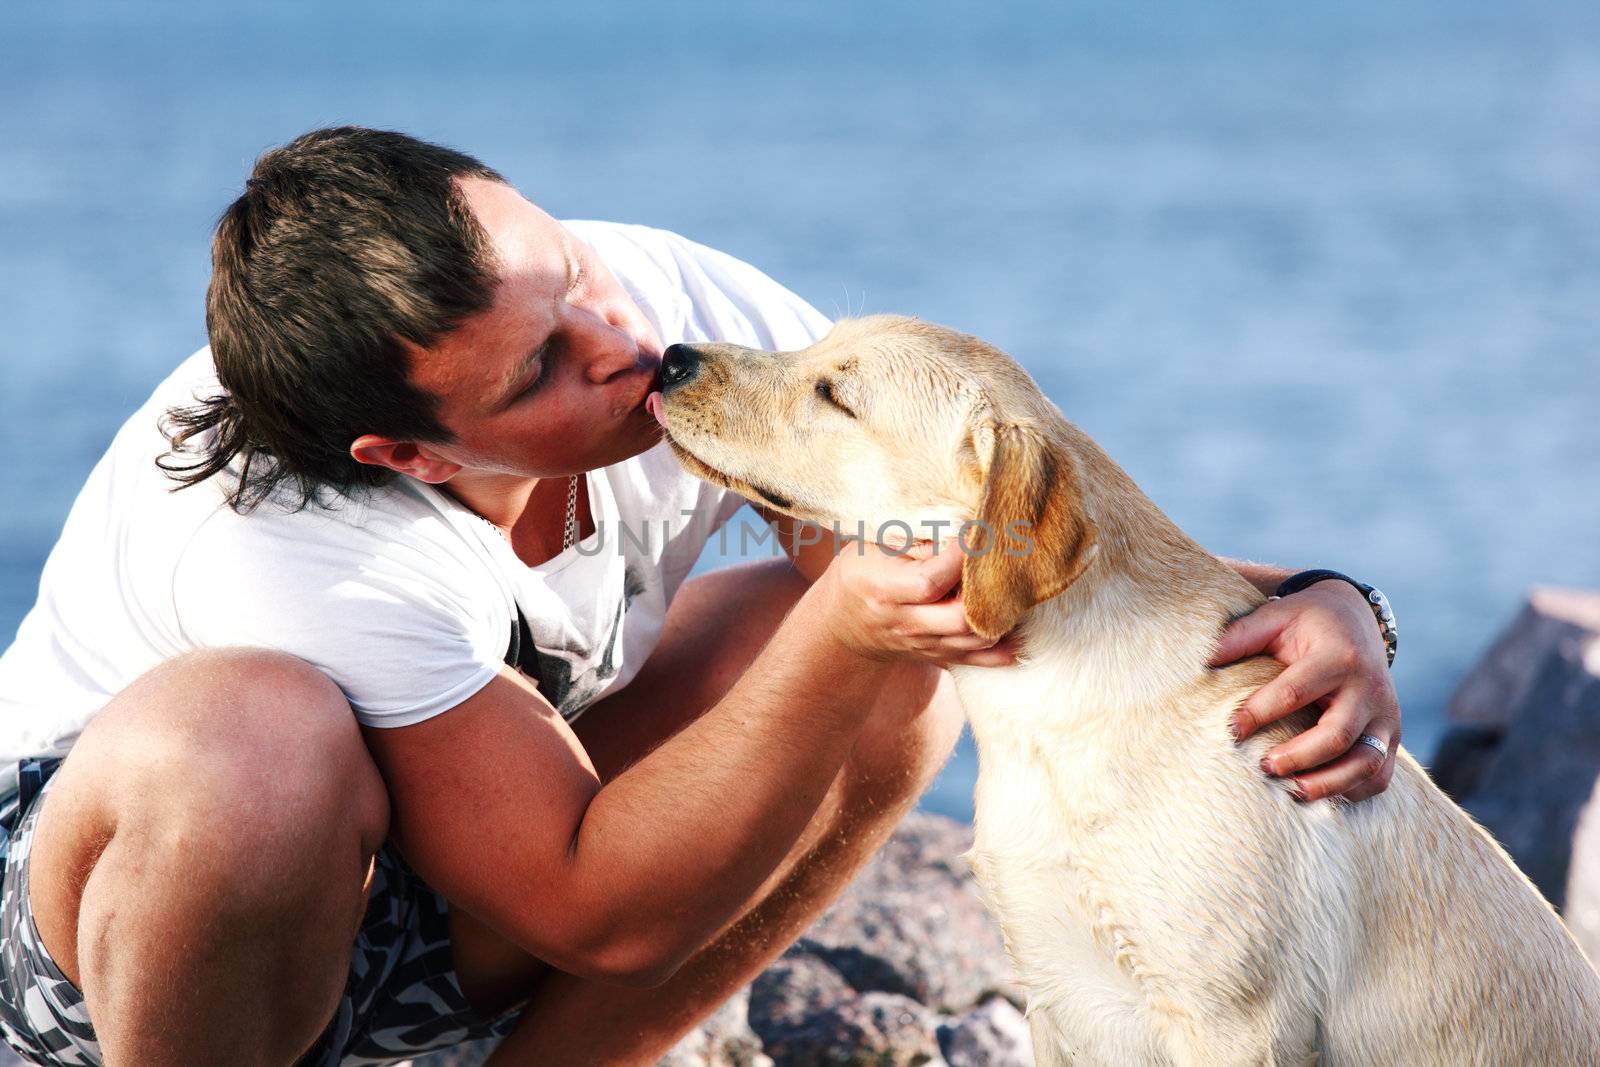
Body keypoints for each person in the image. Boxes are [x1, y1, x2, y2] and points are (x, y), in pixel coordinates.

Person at [0, 127, 1403, 1067]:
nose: (628, 345)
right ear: (415, 454)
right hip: (137, 939)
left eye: (573, 272)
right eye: (539, 369)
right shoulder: (285, 541)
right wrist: (844, 629)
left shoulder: (658, 303)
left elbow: (976, 555)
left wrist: (1323, 604)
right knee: (250, 742)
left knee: (886, 652)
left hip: (441, 878)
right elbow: (589, 913)